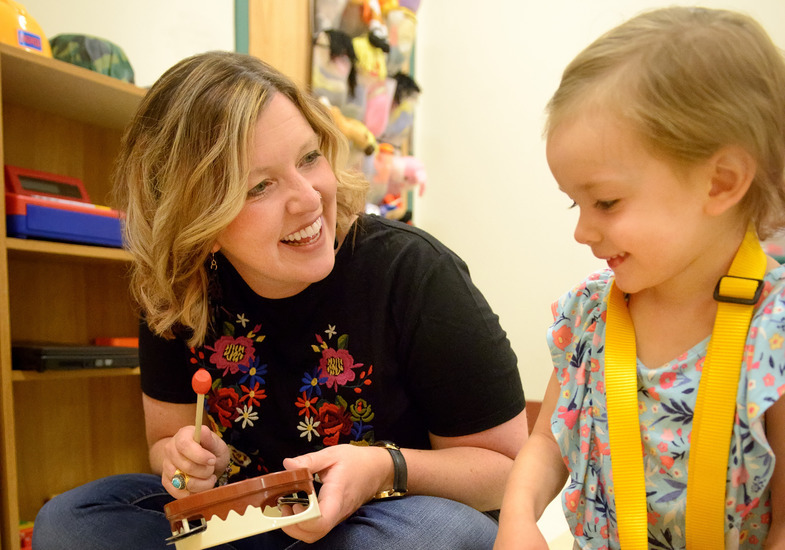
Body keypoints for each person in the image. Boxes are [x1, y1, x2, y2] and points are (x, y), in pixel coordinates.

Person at [31, 51, 528, 549]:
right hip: (249, 521)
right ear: (197, 226)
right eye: (261, 186)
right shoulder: (177, 292)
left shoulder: (415, 272)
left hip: (385, 519)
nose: (309, 199)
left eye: (309, 158)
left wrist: (382, 468)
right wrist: (185, 468)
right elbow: (166, 448)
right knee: (70, 521)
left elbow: (508, 473)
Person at [494, 7, 785, 550]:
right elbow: (547, 442)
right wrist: (518, 517)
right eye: (574, 205)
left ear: (721, 182)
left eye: (606, 201)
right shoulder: (588, 316)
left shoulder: (775, 330)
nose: (582, 230)